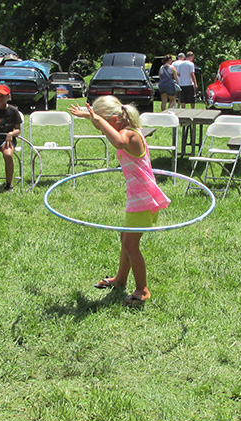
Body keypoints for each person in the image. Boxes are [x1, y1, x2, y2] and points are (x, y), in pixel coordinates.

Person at [68, 96, 171, 306]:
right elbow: (112, 135)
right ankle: (120, 279)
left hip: (143, 198)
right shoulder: (124, 129)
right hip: (137, 196)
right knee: (125, 238)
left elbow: (117, 141)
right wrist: (92, 117)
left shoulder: (129, 135)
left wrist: (96, 118)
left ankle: (142, 289)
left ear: (115, 119)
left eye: (101, 122)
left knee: (131, 244)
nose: (99, 128)